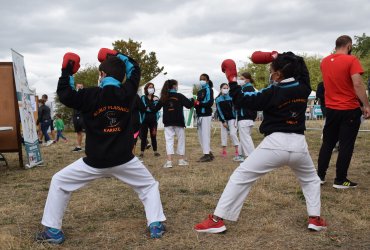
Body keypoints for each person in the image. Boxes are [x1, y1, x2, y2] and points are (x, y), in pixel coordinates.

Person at [36, 51, 166, 244]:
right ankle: (155, 224)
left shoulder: (90, 95)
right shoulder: (128, 92)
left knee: (59, 182)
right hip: (124, 159)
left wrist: (67, 71)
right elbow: (135, 69)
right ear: (121, 76)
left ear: (102, 75)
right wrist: (117, 55)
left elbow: (65, 94)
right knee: (148, 185)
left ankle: (53, 231)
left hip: (95, 161)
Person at [194, 52, 327, 233]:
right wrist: (282, 57)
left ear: (278, 74)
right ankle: (315, 218)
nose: (270, 73)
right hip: (299, 145)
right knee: (311, 180)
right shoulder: (303, 87)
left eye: (272, 70)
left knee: (240, 177)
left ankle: (217, 220)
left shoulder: (273, 91)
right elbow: (302, 70)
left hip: (275, 143)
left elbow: (241, 100)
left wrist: (232, 80)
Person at [317, 35, 370, 189]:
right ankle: (340, 180)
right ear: (349, 45)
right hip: (349, 109)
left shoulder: (325, 61)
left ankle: (319, 176)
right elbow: (358, 83)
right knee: (346, 144)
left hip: (331, 109)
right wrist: (366, 105)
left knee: (327, 143)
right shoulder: (351, 60)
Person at [156, 79, 194, 168]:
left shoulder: (164, 96)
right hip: (178, 121)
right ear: (174, 86)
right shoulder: (179, 96)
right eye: (177, 85)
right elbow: (189, 105)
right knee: (181, 140)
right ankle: (181, 160)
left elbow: (156, 108)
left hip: (168, 122)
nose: (177, 87)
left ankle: (169, 162)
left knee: (169, 141)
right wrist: (192, 99)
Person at [215, 83, 240, 160]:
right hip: (224, 120)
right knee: (223, 134)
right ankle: (224, 151)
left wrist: (236, 119)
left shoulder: (231, 97)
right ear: (221, 89)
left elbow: (235, 108)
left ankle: (237, 150)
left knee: (233, 133)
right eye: (224, 88)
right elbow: (219, 111)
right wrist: (223, 121)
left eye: (226, 88)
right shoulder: (218, 99)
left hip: (232, 118)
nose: (225, 89)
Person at [235, 72, 257, 160]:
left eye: (242, 78)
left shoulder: (247, 89)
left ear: (247, 80)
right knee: (245, 138)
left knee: (246, 139)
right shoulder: (248, 88)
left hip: (245, 116)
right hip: (247, 117)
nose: (239, 80)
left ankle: (251, 158)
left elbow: (240, 102)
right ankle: (242, 155)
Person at [195, 73, 214, 162]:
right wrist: (195, 103)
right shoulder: (199, 91)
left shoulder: (208, 89)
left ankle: (206, 154)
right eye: (200, 79)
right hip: (199, 115)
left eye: (203, 79)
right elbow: (197, 103)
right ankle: (209, 152)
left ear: (207, 80)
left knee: (205, 135)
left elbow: (210, 102)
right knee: (200, 135)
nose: (201, 80)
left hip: (206, 115)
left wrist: (199, 104)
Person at [139, 82, 161, 158]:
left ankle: (155, 152)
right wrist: (152, 106)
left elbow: (156, 109)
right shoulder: (143, 97)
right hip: (145, 120)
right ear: (146, 89)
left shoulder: (156, 98)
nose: (151, 88)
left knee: (153, 136)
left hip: (153, 120)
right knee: (144, 136)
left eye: (152, 87)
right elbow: (144, 108)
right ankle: (142, 152)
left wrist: (151, 106)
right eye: (149, 87)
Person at [71, 83, 85, 152]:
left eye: (80, 87)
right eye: (78, 87)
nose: (79, 88)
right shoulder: (74, 96)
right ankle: (79, 147)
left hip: (82, 116)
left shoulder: (84, 96)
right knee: (78, 132)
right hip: (75, 116)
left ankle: (90, 146)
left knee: (87, 132)